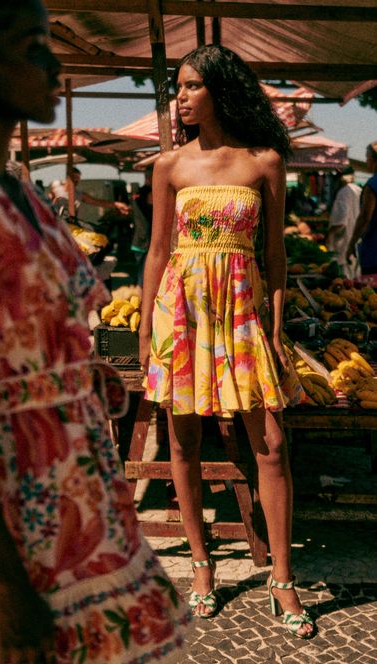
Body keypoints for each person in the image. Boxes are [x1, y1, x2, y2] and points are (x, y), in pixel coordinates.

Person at [0, 2, 191, 662]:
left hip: (78, 487)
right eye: (33, 46)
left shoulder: (18, 189)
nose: (54, 65)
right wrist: (6, 585)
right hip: (12, 505)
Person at [139, 44, 315, 639]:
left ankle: (282, 579)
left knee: (269, 442)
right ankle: (201, 567)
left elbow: (275, 255)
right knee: (182, 443)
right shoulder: (168, 166)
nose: (180, 98)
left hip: (242, 316)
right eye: (177, 88)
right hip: (182, 314)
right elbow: (158, 252)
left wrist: (275, 320)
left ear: (219, 88)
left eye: (190, 87)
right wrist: (144, 327)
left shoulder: (265, 161)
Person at [51, 167, 130, 224]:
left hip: (71, 225)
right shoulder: (56, 190)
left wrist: (117, 204)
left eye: (78, 178)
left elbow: (97, 202)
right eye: (74, 177)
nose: (76, 180)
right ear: (68, 177)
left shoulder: (79, 194)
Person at [347, 141, 377, 275]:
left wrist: (351, 243)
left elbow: (365, 217)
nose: (366, 161)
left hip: (374, 252)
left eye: (367, 157)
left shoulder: (372, 185)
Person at [325, 166, 361, 277]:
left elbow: (340, 220)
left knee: (345, 278)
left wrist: (329, 236)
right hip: (356, 240)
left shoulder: (344, 192)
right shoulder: (359, 190)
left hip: (344, 242)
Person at [131, 169, 153, 285]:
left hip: (138, 239)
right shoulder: (148, 193)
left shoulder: (138, 192)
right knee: (144, 276)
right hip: (145, 241)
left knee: (141, 273)